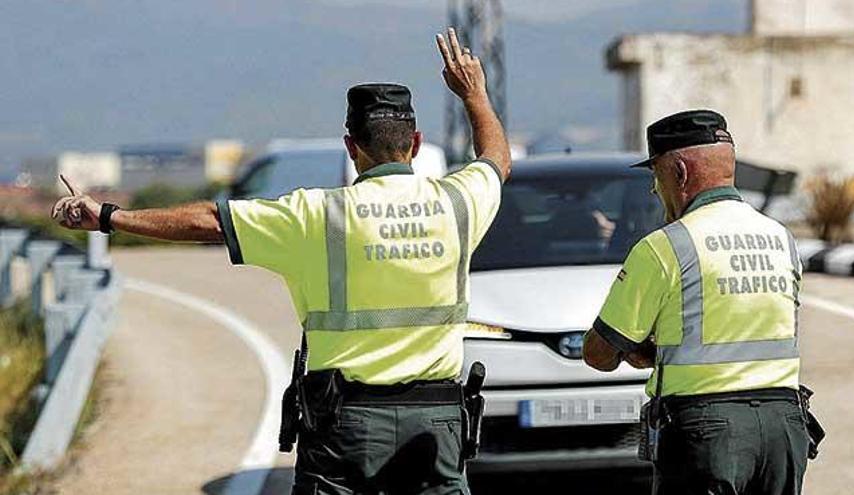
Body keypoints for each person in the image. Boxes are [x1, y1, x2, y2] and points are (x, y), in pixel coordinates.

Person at [52, 28, 510, 495]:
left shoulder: (314, 215)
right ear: (415, 142)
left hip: (346, 425)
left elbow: (210, 220)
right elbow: (495, 158)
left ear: (351, 147)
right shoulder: (459, 203)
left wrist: (109, 216)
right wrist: (473, 92)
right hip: (436, 423)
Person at [581, 110, 811, 495]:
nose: (655, 190)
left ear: (680, 174)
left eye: (656, 176)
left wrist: (647, 352)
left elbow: (599, 353)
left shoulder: (665, 246)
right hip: (783, 428)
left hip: (707, 431)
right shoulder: (781, 238)